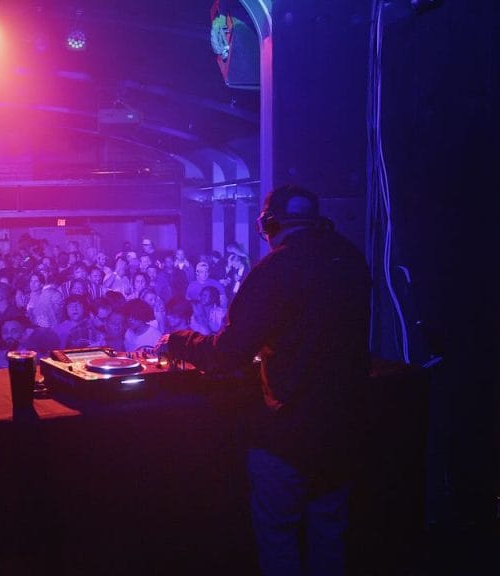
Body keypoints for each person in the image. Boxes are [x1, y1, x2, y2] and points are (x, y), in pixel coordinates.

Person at [159, 185, 371, 576]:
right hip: (345, 426)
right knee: (329, 532)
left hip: (290, 429)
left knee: (278, 534)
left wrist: (181, 340)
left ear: (268, 224)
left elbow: (228, 353)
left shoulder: (276, 269)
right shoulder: (351, 258)